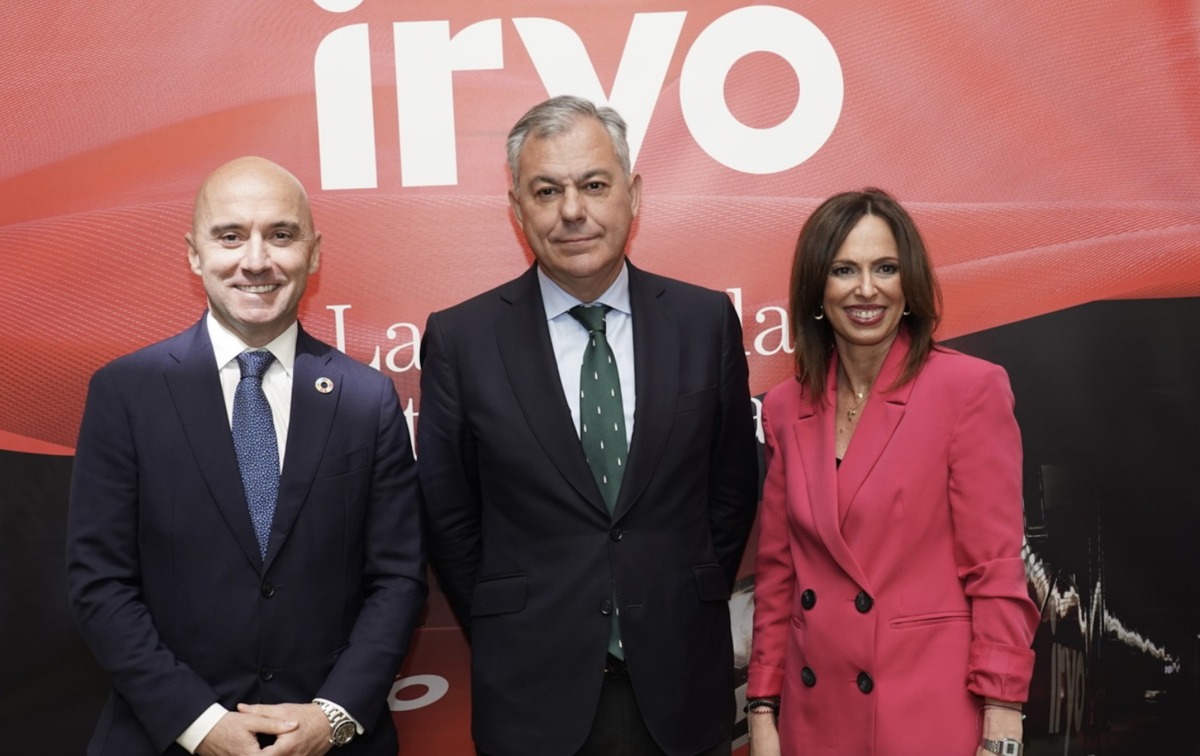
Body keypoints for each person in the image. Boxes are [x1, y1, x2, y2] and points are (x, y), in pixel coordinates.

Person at [417, 95, 759, 756]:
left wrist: (666, 590)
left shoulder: (703, 321)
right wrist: (518, 614)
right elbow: (450, 519)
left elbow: (730, 492)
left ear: (631, 194)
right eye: (547, 191)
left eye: (594, 185)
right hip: (531, 694)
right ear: (518, 209)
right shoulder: (462, 339)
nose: (573, 210)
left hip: (682, 685)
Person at [66, 157, 427, 756]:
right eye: (229, 236)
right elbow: (100, 584)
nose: (256, 260)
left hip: (329, 742)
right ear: (193, 253)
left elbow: (397, 579)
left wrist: (331, 717)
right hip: (164, 739)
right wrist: (200, 724)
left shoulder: (367, 399)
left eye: (280, 235)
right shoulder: (125, 393)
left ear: (313, 253)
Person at [746, 189, 1040, 756]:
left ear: (909, 287)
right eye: (843, 270)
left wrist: (1003, 720)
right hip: (815, 719)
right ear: (816, 290)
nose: (866, 289)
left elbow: (997, 570)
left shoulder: (967, 390)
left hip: (927, 714)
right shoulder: (785, 407)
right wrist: (763, 710)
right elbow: (779, 574)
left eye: (885, 268)